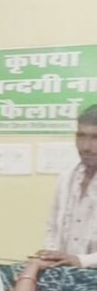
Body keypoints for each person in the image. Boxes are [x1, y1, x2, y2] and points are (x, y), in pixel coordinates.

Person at [38, 105, 97, 269]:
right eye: (81, 136)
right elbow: (52, 228)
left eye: (95, 138)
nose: (86, 147)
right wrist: (50, 255)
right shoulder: (66, 178)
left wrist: (82, 261)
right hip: (65, 276)